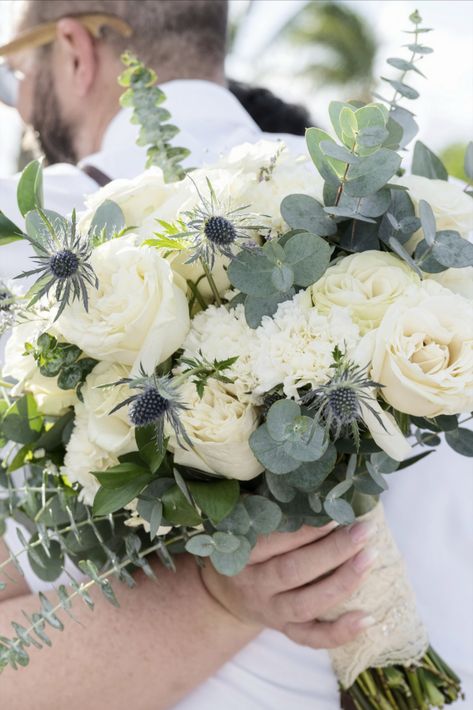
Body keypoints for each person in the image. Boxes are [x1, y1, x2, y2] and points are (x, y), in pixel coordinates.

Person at [0, 2, 471, 710]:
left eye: (16, 66)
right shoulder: (426, 225)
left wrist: (215, 594)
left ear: (73, 49)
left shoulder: (34, 256)